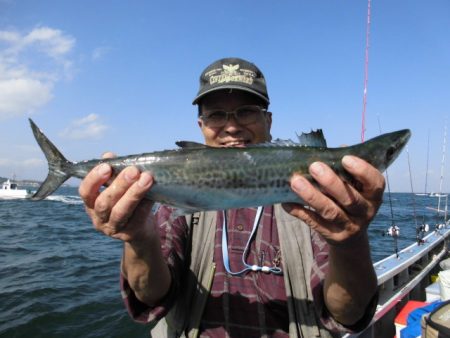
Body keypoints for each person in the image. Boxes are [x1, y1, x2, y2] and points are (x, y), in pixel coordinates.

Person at [79, 57, 381, 337]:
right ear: (202, 127)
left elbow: (348, 314)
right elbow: (152, 297)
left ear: (269, 121)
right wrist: (140, 240)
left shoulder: (317, 203)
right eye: (216, 115)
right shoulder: (176, 204)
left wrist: (351, 242)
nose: (232, 126)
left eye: (247, 111)